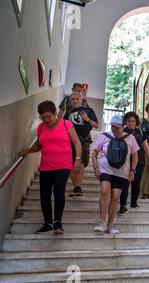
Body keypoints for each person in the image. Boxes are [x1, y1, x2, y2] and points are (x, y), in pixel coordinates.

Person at [18, 101, 82, 235]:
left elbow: (77, 142)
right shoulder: (41, 128)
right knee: (44, 195)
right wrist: (28, 150)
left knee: (58, 190)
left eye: (48, 116)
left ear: (55, 114)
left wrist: (77, 159)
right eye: (43, 117)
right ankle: (48, 223)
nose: (46, 120)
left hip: (63, 165)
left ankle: (58, 222)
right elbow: (39, 145)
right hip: (46, 166)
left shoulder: (66, 124)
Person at [92, 115, 139, 235]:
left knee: (115, 197)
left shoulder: (130, 138)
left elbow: (135, 157)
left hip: (122, 173)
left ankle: (110, 224)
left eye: (118, 127)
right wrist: (96, 167)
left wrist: (132, 171)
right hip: (105, 170)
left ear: (123, 126)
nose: (115, 129)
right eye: (113, 126)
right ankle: (102, 222)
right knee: (104, 191)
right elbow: (95, 153)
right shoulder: (104, 136)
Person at [64, 91, 100, 196]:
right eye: (73, 99)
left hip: (84, 140)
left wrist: (87, 119)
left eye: (77, 99)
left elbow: (97, 125)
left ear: (81, 99)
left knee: (81, 162)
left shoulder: (88, 110)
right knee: (70, 163)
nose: (75, 101)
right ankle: (76, 187)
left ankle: (77, 187)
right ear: (70, 101)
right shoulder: (67, 114)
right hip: (70, 140)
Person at [118, 112, 149, 215]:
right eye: (129, 121)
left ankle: (133, 202)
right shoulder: (122, 131)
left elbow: (146, 147)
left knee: (136, 183)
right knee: (125, 183)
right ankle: (123, 205)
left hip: (140, 161)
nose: (131, 123)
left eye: (133, 121)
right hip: (126, 162)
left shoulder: (140, 132)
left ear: (136, 122)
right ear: (125, 122)